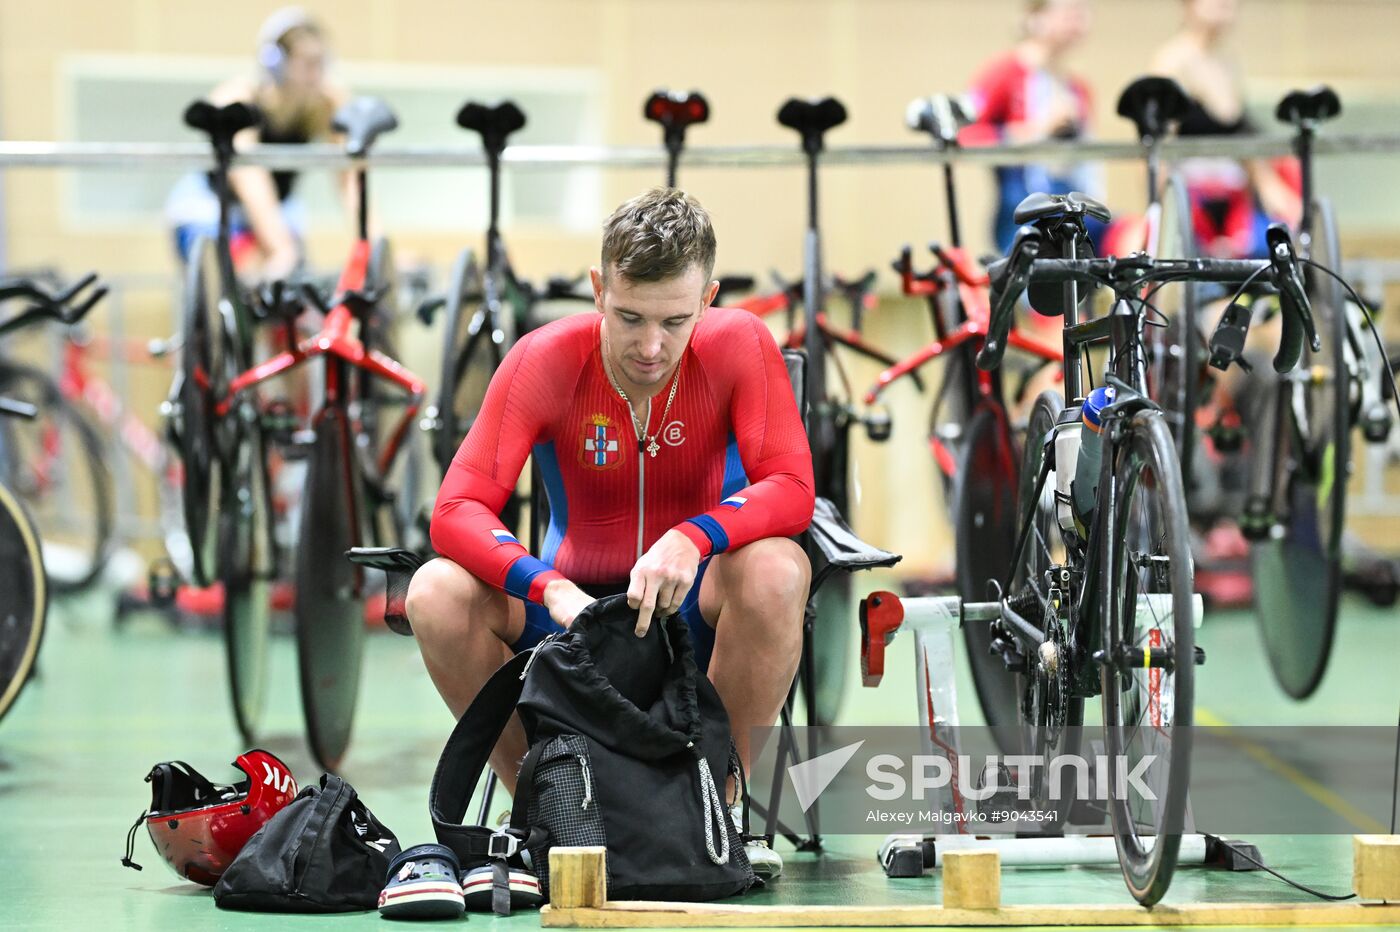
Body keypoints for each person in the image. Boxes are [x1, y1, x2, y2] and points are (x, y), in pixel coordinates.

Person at [406, 188, 814, 880]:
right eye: (628, 317)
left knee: (777, 568)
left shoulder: (740, 345)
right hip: (570, 615)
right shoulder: (546, 359)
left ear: (708, 299)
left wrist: (694, 536)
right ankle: (543, 810)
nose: (651, 347)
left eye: (675, 321)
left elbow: (793, 489)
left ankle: (709, 814)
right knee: (435, 592)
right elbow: (456, 507)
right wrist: (546, 584)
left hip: (693, 609)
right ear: (598, 289)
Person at [165, 7, 353, 279]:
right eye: (307, 64)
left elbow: (352, 182)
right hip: (211, 212)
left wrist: (376, 249)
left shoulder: (326, 104)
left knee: (299, 296)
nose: (316, 75)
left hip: (276, 213)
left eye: (320, 63)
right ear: (275, 63)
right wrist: (281, 249)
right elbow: (250, 177)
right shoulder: (240, 98)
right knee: (241, 278)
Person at [1152, 0, 1301, 259]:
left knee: (1286, 230)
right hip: (1193, 203)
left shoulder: (1228, 62)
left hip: (1234, 196)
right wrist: (1163, 214)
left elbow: (1240, 136)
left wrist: (1271, 187)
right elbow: (1158, 150)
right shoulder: (1172, 62)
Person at [961, 0, 1103, 256]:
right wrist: (1036, 130)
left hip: (1074, 210)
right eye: (1070, 11)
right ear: (1036, 19)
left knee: (1135, 234)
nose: (1079, 19)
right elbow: (965, 135)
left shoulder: (1078, 88)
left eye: (1083, 12)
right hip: (1025, 214)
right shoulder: (1005, 73)